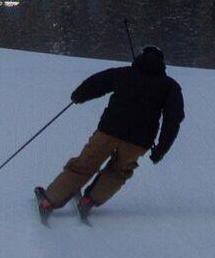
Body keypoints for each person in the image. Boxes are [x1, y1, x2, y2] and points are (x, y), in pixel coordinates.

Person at [36, 45, 184, 222]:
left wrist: (78, 96)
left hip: (108, 132)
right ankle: (88, 201)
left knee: (84, 165)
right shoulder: (170, 86)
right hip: (138, 142)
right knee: (118, 172)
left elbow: (97, 83)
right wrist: (161, 149)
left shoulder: (123, 73)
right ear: (162, 64)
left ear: (140, 58)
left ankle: (49, 201)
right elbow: (173, 120)